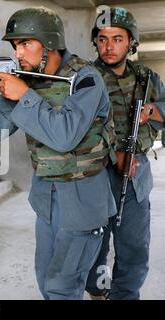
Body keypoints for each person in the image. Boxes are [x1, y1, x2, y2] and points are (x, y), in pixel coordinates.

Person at [0, 7, 116, 300]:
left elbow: (65, 135)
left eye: (26, 43)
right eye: (16, 46)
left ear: (49, 42)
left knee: (62, 287)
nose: (19, 53)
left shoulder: (85, 79)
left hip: (83, 199)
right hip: (47, 197)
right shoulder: (29, 79)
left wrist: (24, 95)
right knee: (45, 280)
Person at [86, 6, 165, 300]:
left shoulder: (147, 78)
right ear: (96, 41)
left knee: (133, 244)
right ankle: (97, 292)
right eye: (103, 39)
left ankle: (125, 295)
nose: (109, 46)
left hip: (136, 174)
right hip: (94, 173)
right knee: (95, 242)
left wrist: (154, 110)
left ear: (131, 42)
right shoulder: (84, 77)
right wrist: (112, 155)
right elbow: (73, 126)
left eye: (117, 39)